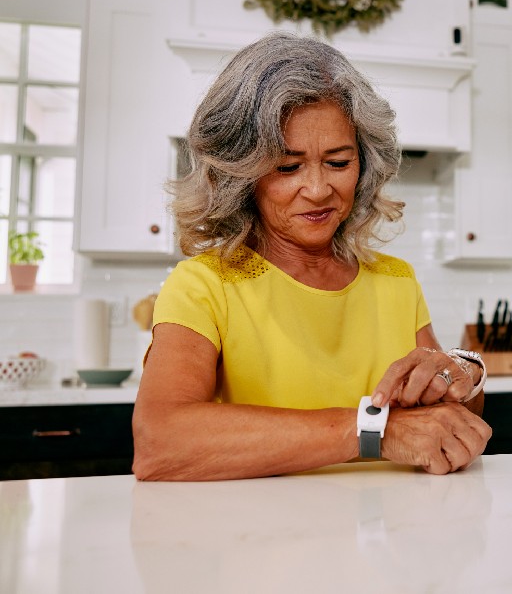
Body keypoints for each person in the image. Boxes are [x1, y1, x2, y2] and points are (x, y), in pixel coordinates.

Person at [132, 32, 491, 481]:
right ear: (241, 173)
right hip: (258, 540)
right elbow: (160, 443)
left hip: (383, 537)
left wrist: (462, 372)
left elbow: (447, 414)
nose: (320, 189)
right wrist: (373, 431)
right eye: (287, 167)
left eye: (339, 162)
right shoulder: (205, 286)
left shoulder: (397, 281)